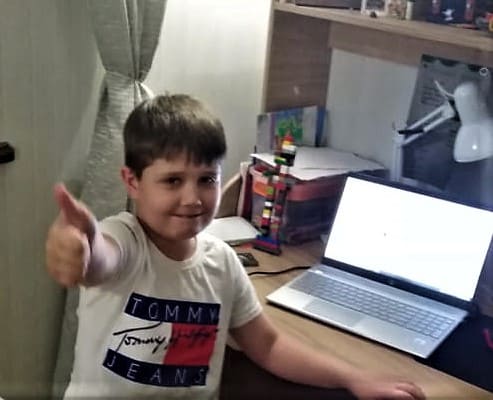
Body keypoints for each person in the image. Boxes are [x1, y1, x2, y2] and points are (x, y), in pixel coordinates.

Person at [46, 94, 426, 400]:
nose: (193, 198)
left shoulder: (223, 263)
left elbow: (269, 345)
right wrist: (84, 250)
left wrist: (353, 377)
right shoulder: (125, 238)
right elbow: (104, 258)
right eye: (173, 181)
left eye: (207, 179)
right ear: (132, 182)